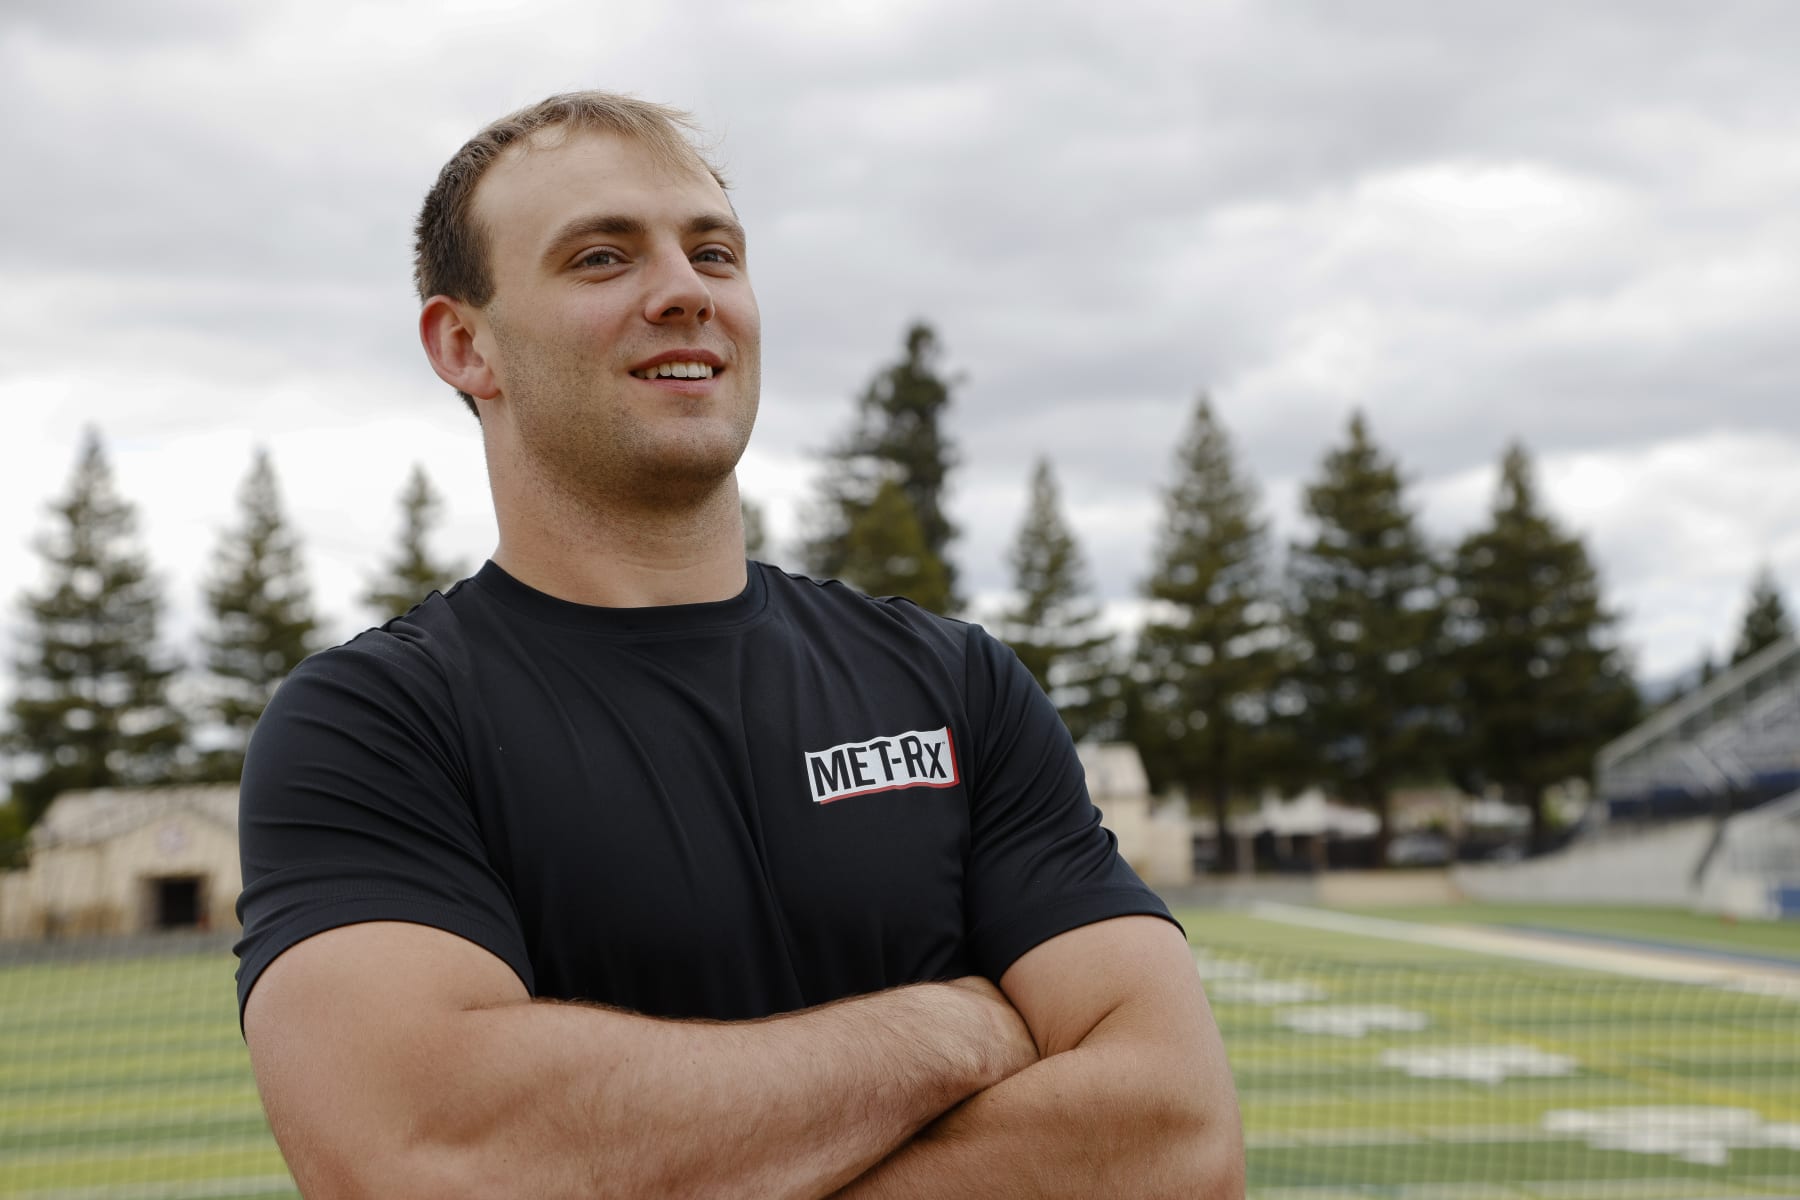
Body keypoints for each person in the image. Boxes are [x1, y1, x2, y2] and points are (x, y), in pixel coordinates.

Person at [235, 91, 1244, 1198]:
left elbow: (1177, 1140)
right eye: (602, 257)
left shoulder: (956, 685)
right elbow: (432, 1157)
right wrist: (952, 1030)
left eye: (714, 252)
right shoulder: (376, 724)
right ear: (466, 345)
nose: (686, 291)